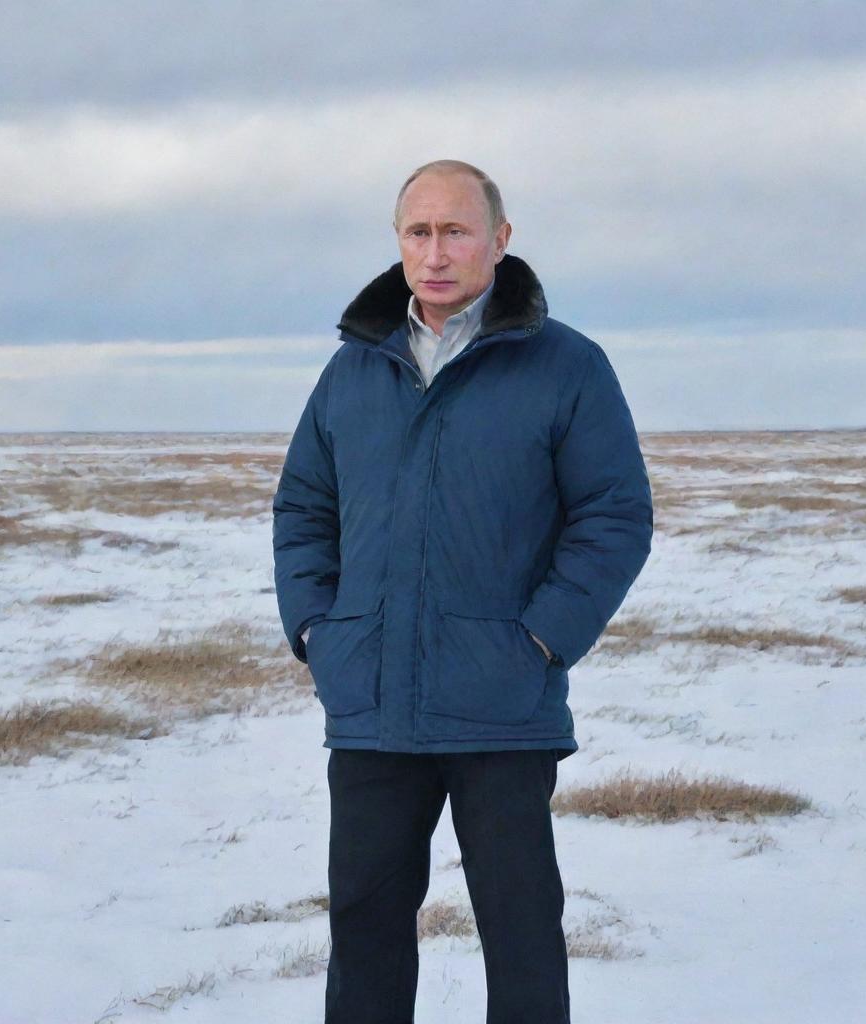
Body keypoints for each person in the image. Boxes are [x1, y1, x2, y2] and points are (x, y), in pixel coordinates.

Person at [272, 159, 653, 1024]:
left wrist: (542, 641)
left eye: (456, 230)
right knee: (364, 932)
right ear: (399, 244)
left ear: (500, 240)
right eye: (418, 232)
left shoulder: (566, 366)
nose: (435, 253)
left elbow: (615, 515)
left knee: (521, 936)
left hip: (502, 706)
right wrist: (319, 633)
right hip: (371, 704)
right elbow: (303, 508)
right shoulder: (353, 371)